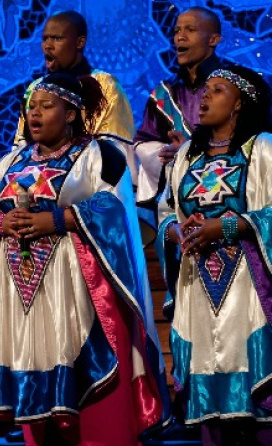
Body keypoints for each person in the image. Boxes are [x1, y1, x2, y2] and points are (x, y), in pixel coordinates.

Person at [0, 73, 167, 445]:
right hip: (21, 295)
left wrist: (59, 219)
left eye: (47, 106)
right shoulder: (11, 161)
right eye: (31, 106)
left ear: (72, 114)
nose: (35, 113)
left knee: (86, 394)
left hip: (75, 290)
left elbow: (113, 209)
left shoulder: (99, 156)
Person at [156, 65, 272, 445]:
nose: (205, 96)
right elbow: (165, 212)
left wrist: (226, 227)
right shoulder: (188, 155)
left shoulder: (264, 148)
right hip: (198, 289)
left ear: (240, 103)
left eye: (218, 90)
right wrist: (176, 231)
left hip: (249, 292)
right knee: (212, 417)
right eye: (204, 90)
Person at [13, 11, 137, 183]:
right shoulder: (35, 88)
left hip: (85, 181)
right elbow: (21, 145)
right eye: (45, 39)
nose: (47, 46)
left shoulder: (105, 85)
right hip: (35, 181)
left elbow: (114, 150)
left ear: (79, 42)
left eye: (56, 38)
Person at [134, 7, 224, 240]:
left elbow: (253, 143)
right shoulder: (163, 94)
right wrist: (162, 154)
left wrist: (190, 149)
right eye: (176, 31)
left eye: (190, 30)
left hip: (226, 203)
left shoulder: (233, 87)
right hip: (176, 210)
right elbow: (143, 144)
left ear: (214, 39)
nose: (179, 37)